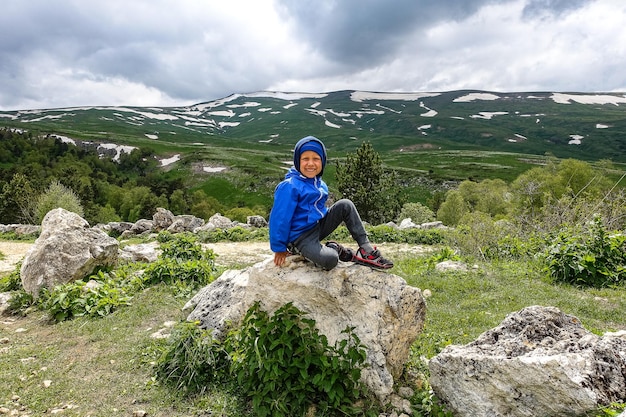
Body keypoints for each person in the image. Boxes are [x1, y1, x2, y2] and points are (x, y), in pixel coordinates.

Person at [269, 135, 393, 270]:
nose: (311, 163)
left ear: (322, 162)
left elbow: (319, 211)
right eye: (305, 159)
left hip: (316, 227)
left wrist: (330, 217)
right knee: (330, 260)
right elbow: (279, 219)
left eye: (316, 159)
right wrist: (279, 248)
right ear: (297, 161)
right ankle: (336, 250)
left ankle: (366, 249)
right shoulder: (289, 186)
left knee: (345, 204)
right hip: (300, 237)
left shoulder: (320, 185)